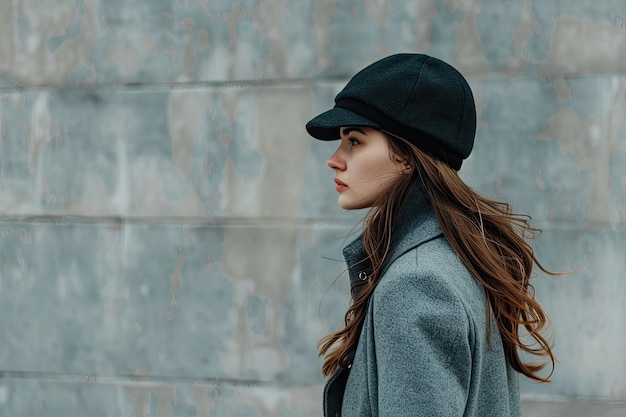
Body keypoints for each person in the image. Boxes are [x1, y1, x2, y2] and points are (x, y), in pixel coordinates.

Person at [305, 53, 558, 417]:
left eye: (355, 141)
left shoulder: (416, 285)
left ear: (406, 156)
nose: (335, 158)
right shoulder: (460, 259)